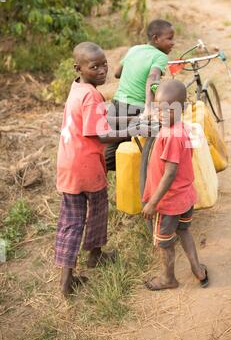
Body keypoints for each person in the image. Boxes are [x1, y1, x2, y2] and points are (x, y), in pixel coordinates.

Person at [55, 41, 130, 296]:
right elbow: (99, 134)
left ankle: (66, 280)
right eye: (94, 66)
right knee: (97, 210)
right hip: (86, 166)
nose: (102, 70)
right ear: (79, 68)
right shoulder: (91, 94)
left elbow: (94, 119)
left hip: (68, 164)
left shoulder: (77, 88)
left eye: (104, 64)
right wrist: (129, 131)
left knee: (71, 221)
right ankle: (95, 255)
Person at [142, 79, 209, 291]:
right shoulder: (183, 128)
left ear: (183, 108)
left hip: (168, 202)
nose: (162, 114)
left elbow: (170, 173)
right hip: (185, 196)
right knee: (185, 232)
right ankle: (198, 270)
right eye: (159, 108)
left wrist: (153, 202)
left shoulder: (170, 135)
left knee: (165, 242)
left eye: (169, 110)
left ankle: (168, 278)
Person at [105, 19, 175, 170]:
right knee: (142, 152)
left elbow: (117, 73)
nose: (173, 43)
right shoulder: (160, 56)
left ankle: (120, 179)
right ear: (156, 38)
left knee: (111, 154)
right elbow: (152, 78)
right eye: (169, 38)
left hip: (117, 105)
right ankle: (140, 181)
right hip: (136, 109)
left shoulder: (134, 49)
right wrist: (149, 107)